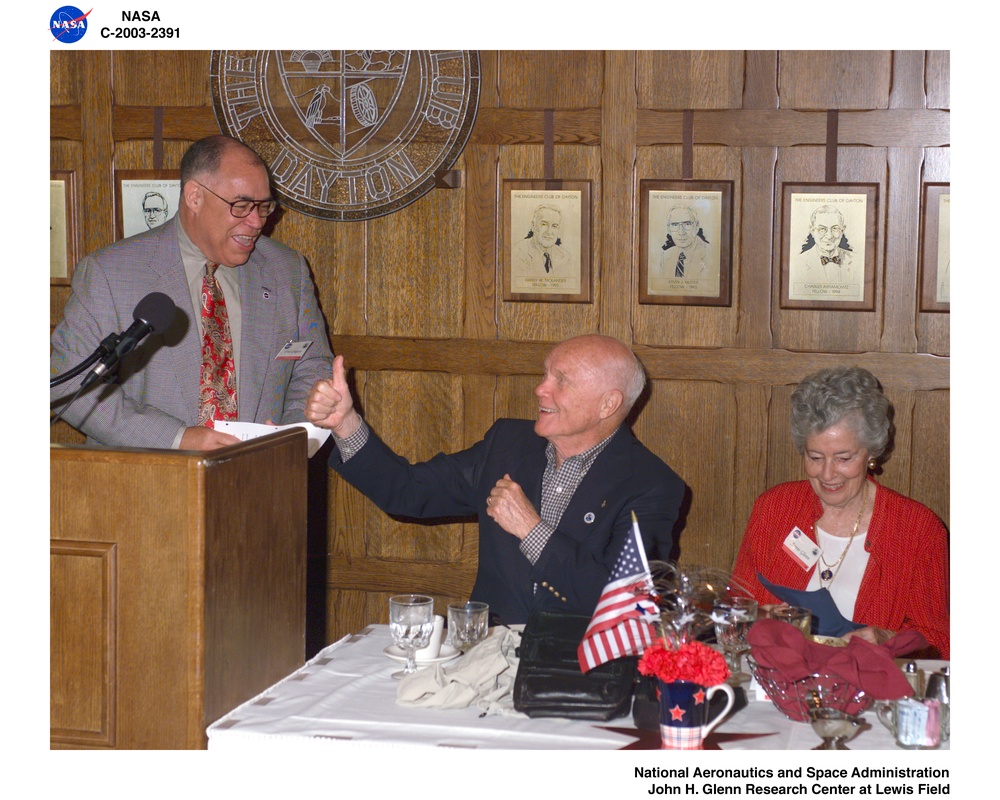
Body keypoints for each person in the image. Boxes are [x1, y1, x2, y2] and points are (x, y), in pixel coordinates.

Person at [304, 334, 685, 625]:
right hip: (486, 654)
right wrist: (346, 423)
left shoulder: (651, 485)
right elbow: (407, 491)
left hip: (579, 667)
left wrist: (532, 530)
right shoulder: (508, 444)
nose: (540, 388)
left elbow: (626, 607)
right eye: (545, 374)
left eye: (561, 380)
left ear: (608, 404)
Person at [50, 135, 334, 451]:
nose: (256, 222)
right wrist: (177, 438)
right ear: (195, 197)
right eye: (241, 206)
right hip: (144, 486)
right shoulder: (109, 274)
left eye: (264, 206)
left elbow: (313, 366)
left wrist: (285, 441)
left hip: (261, 482)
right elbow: (69, 386)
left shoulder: (287, 270)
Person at [731, 367, 949, 658]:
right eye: (815, 457)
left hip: (867, 688)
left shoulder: (918, 529)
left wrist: (888, 638)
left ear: (871, 453)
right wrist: (757, 617)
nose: (827, 474)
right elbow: (735, 606)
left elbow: (939, 641)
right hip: (775, 679)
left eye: (844, 458)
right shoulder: (774, 508)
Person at [793, 204, 857, 285]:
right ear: (812, 231)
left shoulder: (858, 260)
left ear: (842, 230)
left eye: (835, 228)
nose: (829, 236)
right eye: (822, 229)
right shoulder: (797, 263)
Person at [511, 204, 572, 275]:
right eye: (544, 224)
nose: (549, 232)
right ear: (533, 226)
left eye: (554, 226)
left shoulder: (565, 256)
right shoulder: (516, 253)